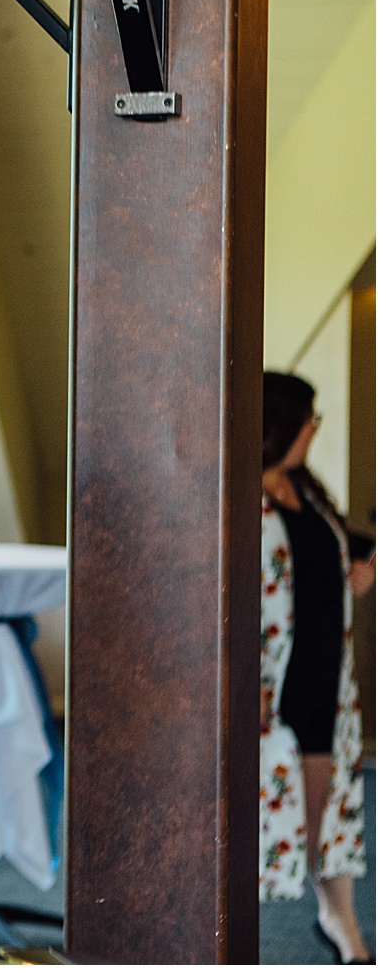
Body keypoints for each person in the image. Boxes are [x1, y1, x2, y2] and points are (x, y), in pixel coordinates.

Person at [258, 371, 371, 963]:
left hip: (325, 671)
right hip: (274, 681)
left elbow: (328, 555)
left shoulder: (308, 490)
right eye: (310, 420)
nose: (315, 430)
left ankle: (343, 929)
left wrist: (359, 569)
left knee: (329, 813)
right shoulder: (241, 498)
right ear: (281, 427)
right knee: (267, 823)